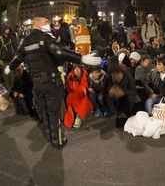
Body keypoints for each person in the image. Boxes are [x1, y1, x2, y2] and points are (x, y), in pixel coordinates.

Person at [7, 12, 101, 148]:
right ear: (38, 24)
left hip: (36, 82)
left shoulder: (26, 41)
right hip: (50, 81)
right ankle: (57, 139)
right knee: (54, 111)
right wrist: (81, 58)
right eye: (46, 22)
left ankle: (49, 134)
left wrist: (9, 68)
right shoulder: (45, 38)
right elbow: (60, 52)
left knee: (43, 110)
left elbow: (17, 58)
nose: (49, 24)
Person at [0, 26, 17, 92]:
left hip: (11, 60)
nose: (8, 31)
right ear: (4, 30)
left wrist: (16, 55)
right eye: (6, 29)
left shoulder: (11, 38)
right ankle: (9, 92)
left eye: (8, 29)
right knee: (7, 78)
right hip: (4, 61)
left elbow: (15, 47)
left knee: (12, 77)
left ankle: (12, 91)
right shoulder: (0, 39)